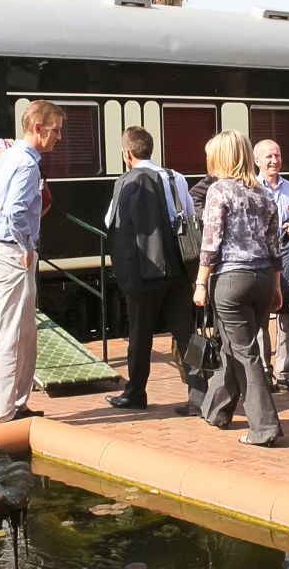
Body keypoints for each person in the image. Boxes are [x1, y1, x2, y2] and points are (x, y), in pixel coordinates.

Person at [104, 126, 201, 413]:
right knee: (187, 332)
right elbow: (190, 217)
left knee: (140, 333)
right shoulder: (176, 177)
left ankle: (135, 393)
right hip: (177, 267)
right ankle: (201, 395)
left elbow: (110, 220)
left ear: (127, 154)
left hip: (142, 270)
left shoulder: (125, 182)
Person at [196, 130, 285, 446]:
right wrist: (276, 287)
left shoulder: (219, 190)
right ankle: (216, 410)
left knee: (245, 353)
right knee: (234, 346)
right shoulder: (265, 194)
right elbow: (274, 246)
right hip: (262, 278)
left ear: (221, 157)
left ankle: (264, 427)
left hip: (231, 279)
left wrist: (200, 282)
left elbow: (211, 242)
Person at [0, 99, 63, 424]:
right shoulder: (27, 164)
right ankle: (3, 414)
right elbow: (15, 211)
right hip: (12, 254)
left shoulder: (8, 156)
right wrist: (26, 246)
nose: (59, 137)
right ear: (38, 128)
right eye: (56, 130)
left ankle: (18, 402)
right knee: (13, 335)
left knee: (24, 332)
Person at [254, 139, 289, 394]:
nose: (274, 160)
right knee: (261, 318)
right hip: (261, 260)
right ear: (257, 160)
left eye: (277, 155)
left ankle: (286, 373)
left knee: (288, 314)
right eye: (268, 156)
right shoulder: (251, 187)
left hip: (287, 259)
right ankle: (264, 373)